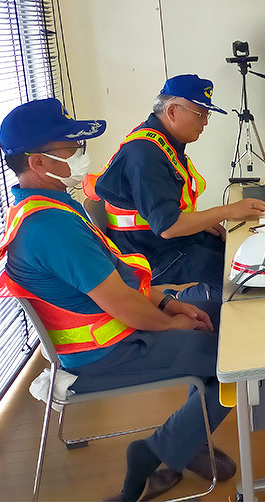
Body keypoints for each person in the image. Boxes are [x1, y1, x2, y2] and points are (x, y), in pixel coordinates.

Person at [0, 98, 240, 501]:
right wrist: (169, 321)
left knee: (229, 315)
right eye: (70, 149)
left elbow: (116, 285)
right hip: (106, 352)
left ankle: (186, 434)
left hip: (121, 329)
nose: (82, 156)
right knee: (241, 359)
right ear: (38, 163)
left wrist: (165, 303)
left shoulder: (46, 206)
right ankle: (152, 453)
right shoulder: (52, 227)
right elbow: (124, 306)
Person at [87, 74, 265, 294]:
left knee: (244, 252)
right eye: (200, 114)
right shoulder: (145, 154)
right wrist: (228, 211)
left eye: (207, 115)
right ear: (172, 111)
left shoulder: (160, 140)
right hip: (155, 257)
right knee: (244, 274)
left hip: (168, 244)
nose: (204, 122)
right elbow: (168, 226)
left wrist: (201, 221)